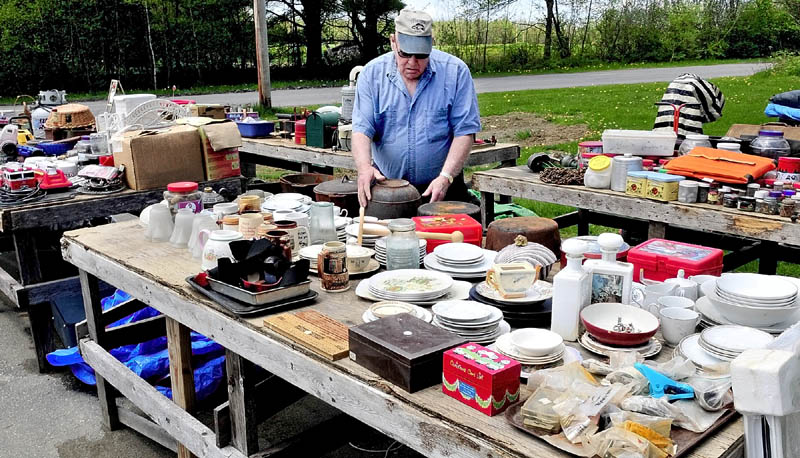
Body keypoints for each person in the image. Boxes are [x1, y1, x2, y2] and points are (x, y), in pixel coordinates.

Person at [351, 9, 482, 208]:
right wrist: (363, 167)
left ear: (431, 43)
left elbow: (465, 131)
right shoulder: (371, 75)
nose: (413, 63)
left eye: (421, 55)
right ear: (393, 41)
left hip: (443, 187)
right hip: (388, 191)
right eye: (405, 54)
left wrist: (445, 177)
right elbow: (362, 129)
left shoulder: (456, 72)